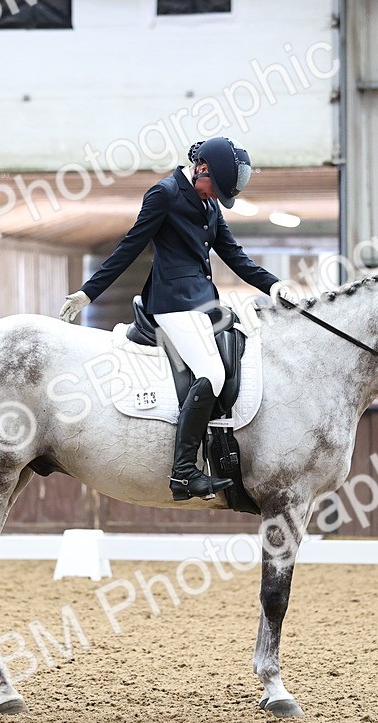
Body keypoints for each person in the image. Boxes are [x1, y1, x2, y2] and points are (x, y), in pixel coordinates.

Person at [59, 136, 293, 501]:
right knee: (212, 373)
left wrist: (275, 285)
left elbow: (234, 255)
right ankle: (183, 471)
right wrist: (88, 293)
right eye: (213, 187)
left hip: (202, 302)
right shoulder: (164, 194)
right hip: (170, 303)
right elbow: (129, 246)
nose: (215, 196)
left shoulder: (209, 204)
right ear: (201, 169)